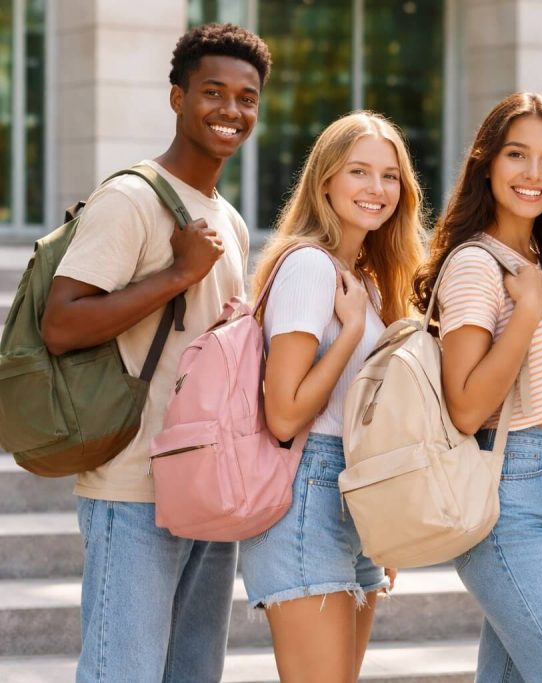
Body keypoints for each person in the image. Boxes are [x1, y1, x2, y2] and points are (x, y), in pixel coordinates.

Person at [39, 23, 269, 682]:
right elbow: (62, 322)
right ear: (177, 98)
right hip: (134, 487)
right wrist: (175, 274)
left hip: (206, 483)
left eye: (247, 98)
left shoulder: (231, 220)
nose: (231, 111)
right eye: (214, 92)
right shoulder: (131, 199)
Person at [411, 92, 542, 682]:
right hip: (510, 489)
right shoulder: (477, 263)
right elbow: (468, 407)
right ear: (486, 164)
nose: (534, 174)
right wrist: (525, 313)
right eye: (517, 155)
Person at [240, 111, 425, 682]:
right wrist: (347, 335)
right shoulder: (308, 268)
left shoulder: (366, 280)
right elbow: (285, 413)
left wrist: (386, 519)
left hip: (356, 493)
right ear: (325, 182)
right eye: (359, 172)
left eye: (390, 176)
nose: (377, 189)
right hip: (307, 491)